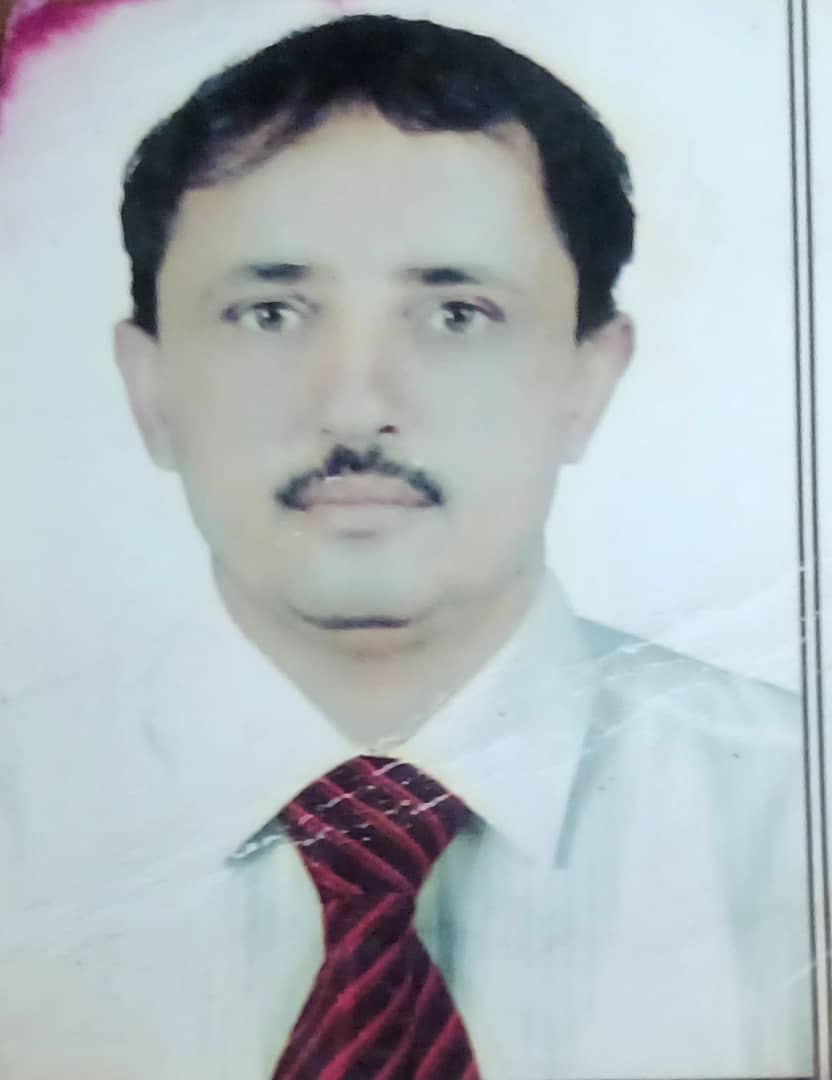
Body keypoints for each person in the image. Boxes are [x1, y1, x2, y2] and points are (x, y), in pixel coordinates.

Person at [0, 12, 812, 1079]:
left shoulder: (797, 815)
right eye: (270, 312)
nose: (354, 407)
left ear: (587, 381)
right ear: (149, 389)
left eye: (456, 315)